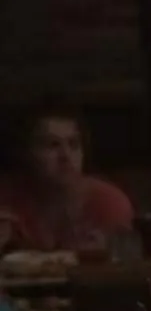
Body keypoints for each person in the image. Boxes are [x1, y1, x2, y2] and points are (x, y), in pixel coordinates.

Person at [0, 100, 135, 254]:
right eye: (52, 145)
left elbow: (128, 269)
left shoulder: (107, 203)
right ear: (27, 153)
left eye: (74, 144)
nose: (66, 156)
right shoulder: (8, 197)